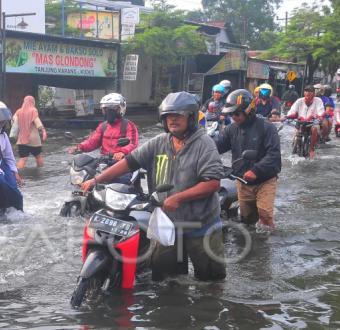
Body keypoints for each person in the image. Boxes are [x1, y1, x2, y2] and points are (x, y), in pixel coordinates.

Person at [80, 92, 226, 282]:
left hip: (201, 225)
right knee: (164, 279)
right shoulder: (158, 143)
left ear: (190, 117)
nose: (172, 119)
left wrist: (177, 197)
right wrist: (96, 180)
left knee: (211, 282)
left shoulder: (204, 144)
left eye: (178, 115)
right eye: (168, 116)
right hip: (168, 225)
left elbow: (213, 182)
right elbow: (129, 162)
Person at [215, 89, 282, 228]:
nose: (233, 116)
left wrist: (256, 170)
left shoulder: (267, 128)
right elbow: (214, 147)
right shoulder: (231, 129)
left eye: (236, 113)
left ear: (248, 109)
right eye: (231, 114)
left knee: (265, 216)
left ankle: (268, 245)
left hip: (265, 180)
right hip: (242, 182)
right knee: (247, 221)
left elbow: (273, 155)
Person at [68, 93, 139, 161]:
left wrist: (122, 152)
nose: (108, 111)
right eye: (106, 108)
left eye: (112, 107)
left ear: (120, 108)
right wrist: (80, 147)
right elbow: (92, 141)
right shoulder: (103, 126)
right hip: (104, 160)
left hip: (123, 160)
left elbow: (132, 144)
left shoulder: (129, 125)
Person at [0, 100, 24, 211]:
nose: (1, 122)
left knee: (13, 187)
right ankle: (2, 208)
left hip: (1, 164)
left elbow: (9, 156)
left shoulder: (3, 135)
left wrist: (15, 173)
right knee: (1, 184)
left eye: (3, 120)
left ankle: (18, 210)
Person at [285, 85, 325, 157]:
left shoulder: (318, 101)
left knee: (314, 129)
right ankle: (295, 146)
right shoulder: (299, 100)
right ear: (304, 93)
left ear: (313, 93)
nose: (308, 93)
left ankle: (311, 150)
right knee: (295, 136)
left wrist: (319, 117)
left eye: (310, 91)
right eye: (306, 91)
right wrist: (287, 117)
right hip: (301, 122)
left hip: (313, 121)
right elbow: (293, 109)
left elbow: (320, 110)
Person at [12, 95, 47, 169]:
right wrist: (43, 130)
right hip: (33, 139)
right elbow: (37, 121)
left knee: (23, 158)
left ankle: (19, 174)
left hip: (21, 139)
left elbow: (14, 122)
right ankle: (40, 173)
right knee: (38, 157)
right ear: (33, 102)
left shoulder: (18, 111)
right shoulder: (33, 110)